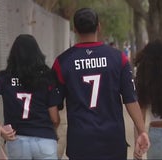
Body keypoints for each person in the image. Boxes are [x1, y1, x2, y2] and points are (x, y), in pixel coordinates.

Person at [52, 8, 150, 160]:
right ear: (99, 26)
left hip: (80, 141)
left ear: (75, 29)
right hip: (112, 140)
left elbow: (53, 103)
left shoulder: (62, 62)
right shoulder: (118, 59)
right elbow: (130, 99)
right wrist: (142, 131)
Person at [0, 34, 61, 159]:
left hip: (16, 140)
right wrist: (51, 131)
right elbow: (55, 119)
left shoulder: (4, 77)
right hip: (45, 139)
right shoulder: (47, 78)